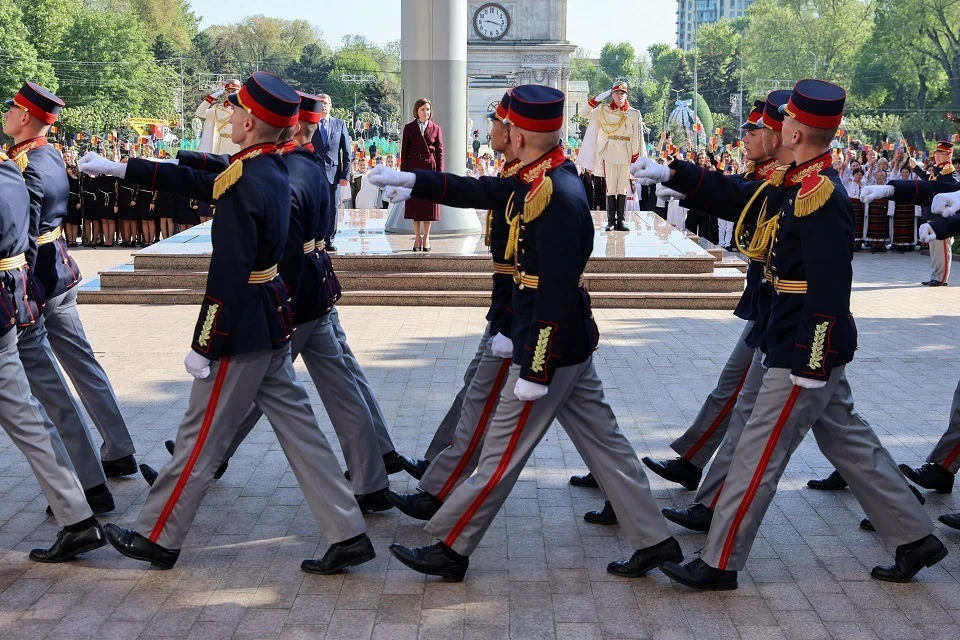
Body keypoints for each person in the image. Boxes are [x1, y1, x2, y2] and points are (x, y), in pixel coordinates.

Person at [634, 79, 946, 590]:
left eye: (782, 122)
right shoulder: (796, 179)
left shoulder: (820, 193)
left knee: (759, 454)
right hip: (788, 331)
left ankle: (719, 562)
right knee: (847, 439)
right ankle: (915, 537)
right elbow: (742, 197)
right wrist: (675, 172)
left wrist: (811, 360)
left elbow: (829, 291)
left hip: (803, 344)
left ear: (796, 130)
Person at [370, 84, 682, 582]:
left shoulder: (557, 193)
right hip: (562, 340)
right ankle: (657, 540)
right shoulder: (537, 178)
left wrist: (534, 364)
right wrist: (412, 179)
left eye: (507, 124)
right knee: (608, 447)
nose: (503, 131)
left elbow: (555, 289)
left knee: (501, 452)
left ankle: (452, 545)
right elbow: (483, 191)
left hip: (548, 345)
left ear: (520, 134)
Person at [79, 72, 375, 574]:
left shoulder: (250, 180)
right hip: (272, 318)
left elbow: (230, 274)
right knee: (302, 433)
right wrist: (121, 167)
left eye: (236, 111)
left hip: (242, 328)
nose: (230, 117)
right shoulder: (269, 170)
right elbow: (202, 178)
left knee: (199, 434)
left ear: (254, 121)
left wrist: (205, 342)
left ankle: (158, 534)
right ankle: (347, 530)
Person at [147, 91, 401, 514]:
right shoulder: (305, 164)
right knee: (331, 390)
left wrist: (277, 306)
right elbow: (228, 173)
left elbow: (262, 227)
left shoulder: (284, 169)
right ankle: (370, 477)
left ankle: (201, 463)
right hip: (312, 290)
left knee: (254, 395)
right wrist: (159, 164)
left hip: (293, 295)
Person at [605, 98, 781, 502]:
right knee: (739, 391)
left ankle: (712, 493)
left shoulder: (786, 179)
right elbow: (736, 193)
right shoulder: (770, 173)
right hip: (770, 304)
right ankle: (694, 461)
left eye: (753, 132)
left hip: (793, 316)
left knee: (814, 415)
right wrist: (679, 180)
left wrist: (676, 174)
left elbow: (739, 196)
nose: (747, 138)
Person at [384, 91, 521, 510]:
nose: (490, 128)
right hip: (510, 311)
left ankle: (439, 487)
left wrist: (522, 329)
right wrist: (412, 180)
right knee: (474, 391)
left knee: (480, 397)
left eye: (497, 122)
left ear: (516, 133)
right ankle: (435, 466)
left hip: (526, 321)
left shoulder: (547, 184)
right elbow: (473, 190)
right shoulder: (519, 174)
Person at [4, 81, 138, 477]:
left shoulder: (25, 164)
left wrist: (21, 288)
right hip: (61, 268)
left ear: (26, 116)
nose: (6, 115)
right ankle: (119, 447)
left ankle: (88, 470)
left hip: (39, 278)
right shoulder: (48, 156)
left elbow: (24, 238)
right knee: (83, 365)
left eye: (11, 109)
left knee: (49, 381)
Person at [0, 153, 106, 563]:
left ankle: (79, 518)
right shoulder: (10, 167)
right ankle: (80, 510)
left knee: (31, 417)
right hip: (14, 297)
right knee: (33, 415)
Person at [583, 81, 643, 231]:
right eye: (616, 93)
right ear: (612, 95)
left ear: (626, 95)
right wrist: (596, 100)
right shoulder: (603, 110)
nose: (620, 96)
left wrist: (636, 155)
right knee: (610, 187)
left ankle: (620, 220)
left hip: (626, 151)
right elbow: (583, 113)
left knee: (622, 187)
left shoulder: (634, 113)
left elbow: (637, 135)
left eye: (623, 93)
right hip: (609, 151)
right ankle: (611, 220)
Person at [400, 97, 444, 251]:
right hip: (413, 168)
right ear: (416, 111)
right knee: (415, 204)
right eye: (423, 109)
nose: (426, 112)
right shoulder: (409, 128)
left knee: (428, 205)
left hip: (430, 168)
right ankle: (417, 238)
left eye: (428, 109)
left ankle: (427, 238)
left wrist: (440, 175)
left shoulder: (436, 128)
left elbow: (440, 153)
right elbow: (404, 152)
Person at [311, 93, 350, 253]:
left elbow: (346, 152)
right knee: (313, 207)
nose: (324, 106)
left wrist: (345, 175)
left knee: (332, 208)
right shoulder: (310, 124)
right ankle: (313, 239)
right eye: (320, 103)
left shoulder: (339, 124)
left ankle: (329, 240)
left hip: (333, 174)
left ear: (331, 106)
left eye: (326, 103)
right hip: (313, 173)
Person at [195, 79, 241, 156]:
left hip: (238, 145)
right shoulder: (217, 108)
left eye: (233, 91)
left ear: (239, 91)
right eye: (228, 91)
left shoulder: (245, 108)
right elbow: (200, 112)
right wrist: (212, 97)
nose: (230, 94)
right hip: (222, 147)